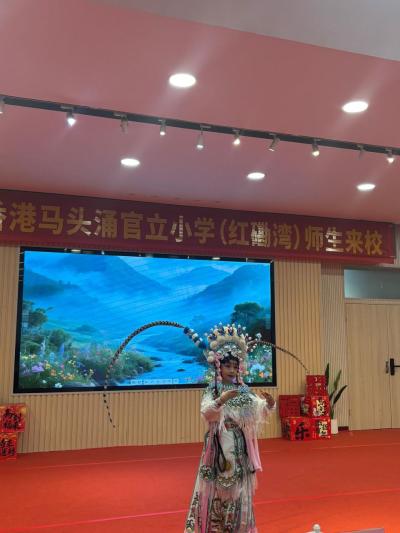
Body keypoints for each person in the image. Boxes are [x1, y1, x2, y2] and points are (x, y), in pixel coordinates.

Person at [184, 324, 276, 533]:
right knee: (219, 486)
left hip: (240, 444)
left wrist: (269, 404)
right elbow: (206, 412)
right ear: (219, 366)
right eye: (228, 366)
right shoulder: (214, 389)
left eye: (235, 366)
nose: (232, 370)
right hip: (220, 444)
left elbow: (257, 409)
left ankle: (238, 527)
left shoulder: (243, 390)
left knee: (240, 489)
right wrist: (221, 400)